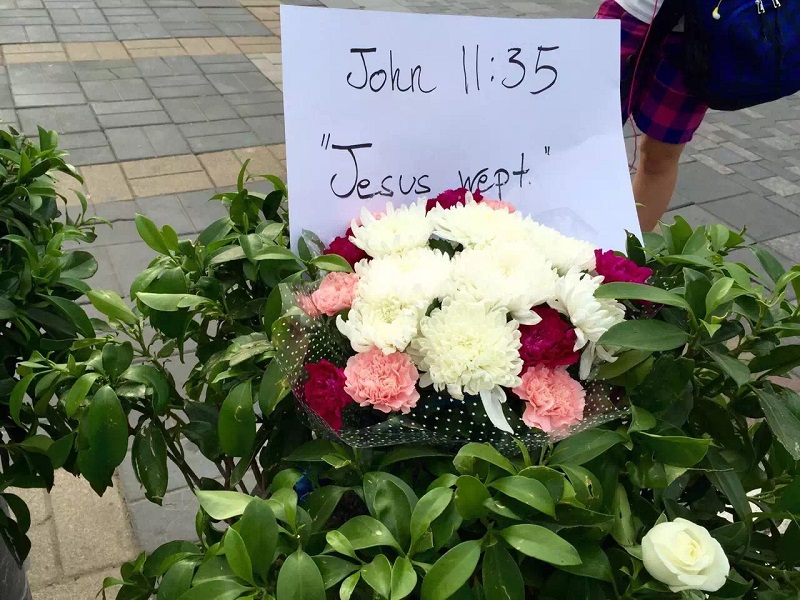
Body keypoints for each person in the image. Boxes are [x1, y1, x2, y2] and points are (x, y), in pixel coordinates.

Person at [595, 0, 708, 232]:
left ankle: (622, 259)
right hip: (631, 10)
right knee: (571, 139)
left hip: (703, 34)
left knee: (661, 157)